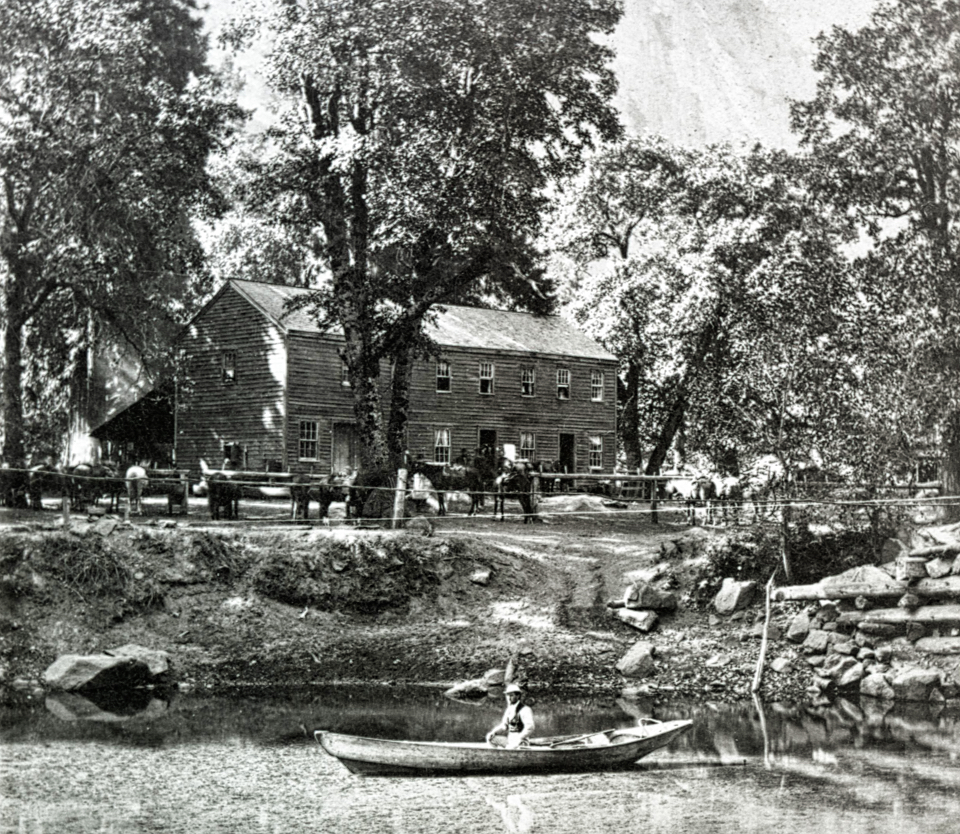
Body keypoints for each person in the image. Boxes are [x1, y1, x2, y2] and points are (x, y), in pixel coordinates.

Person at [486, 683, 534, 748]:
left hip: (521, 741)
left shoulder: (525, 709)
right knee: (491, 738)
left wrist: (520, 737)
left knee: (511, 747)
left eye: (511, 695)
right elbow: (504, 726)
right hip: (510, 740)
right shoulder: (509, 709)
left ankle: (511, 751)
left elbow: (530, 727)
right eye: (507, 695)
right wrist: (493, 732)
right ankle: (497, 754)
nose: (509, 698)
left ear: (518, 696)